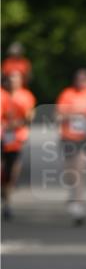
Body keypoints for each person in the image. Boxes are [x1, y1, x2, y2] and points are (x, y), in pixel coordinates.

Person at [55, 69, 86, 225]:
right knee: (70, 173)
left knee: (80, 171)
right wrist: (74, 114)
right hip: (68, 137)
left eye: (84, 79)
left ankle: (79, 205)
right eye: (78, 79)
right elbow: (58, 116)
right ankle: (72, 195)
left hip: (83, 138)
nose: (81, 82)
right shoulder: (67, 94)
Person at [1, 71, 36, 220]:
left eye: (16, 79)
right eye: (10, 79)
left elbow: (29, 117)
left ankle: (7, 200)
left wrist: (19, 122)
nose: (13, 82)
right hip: (2, 136)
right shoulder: (2, 95)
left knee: (12, 171)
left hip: (16, 137)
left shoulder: (26, 96)